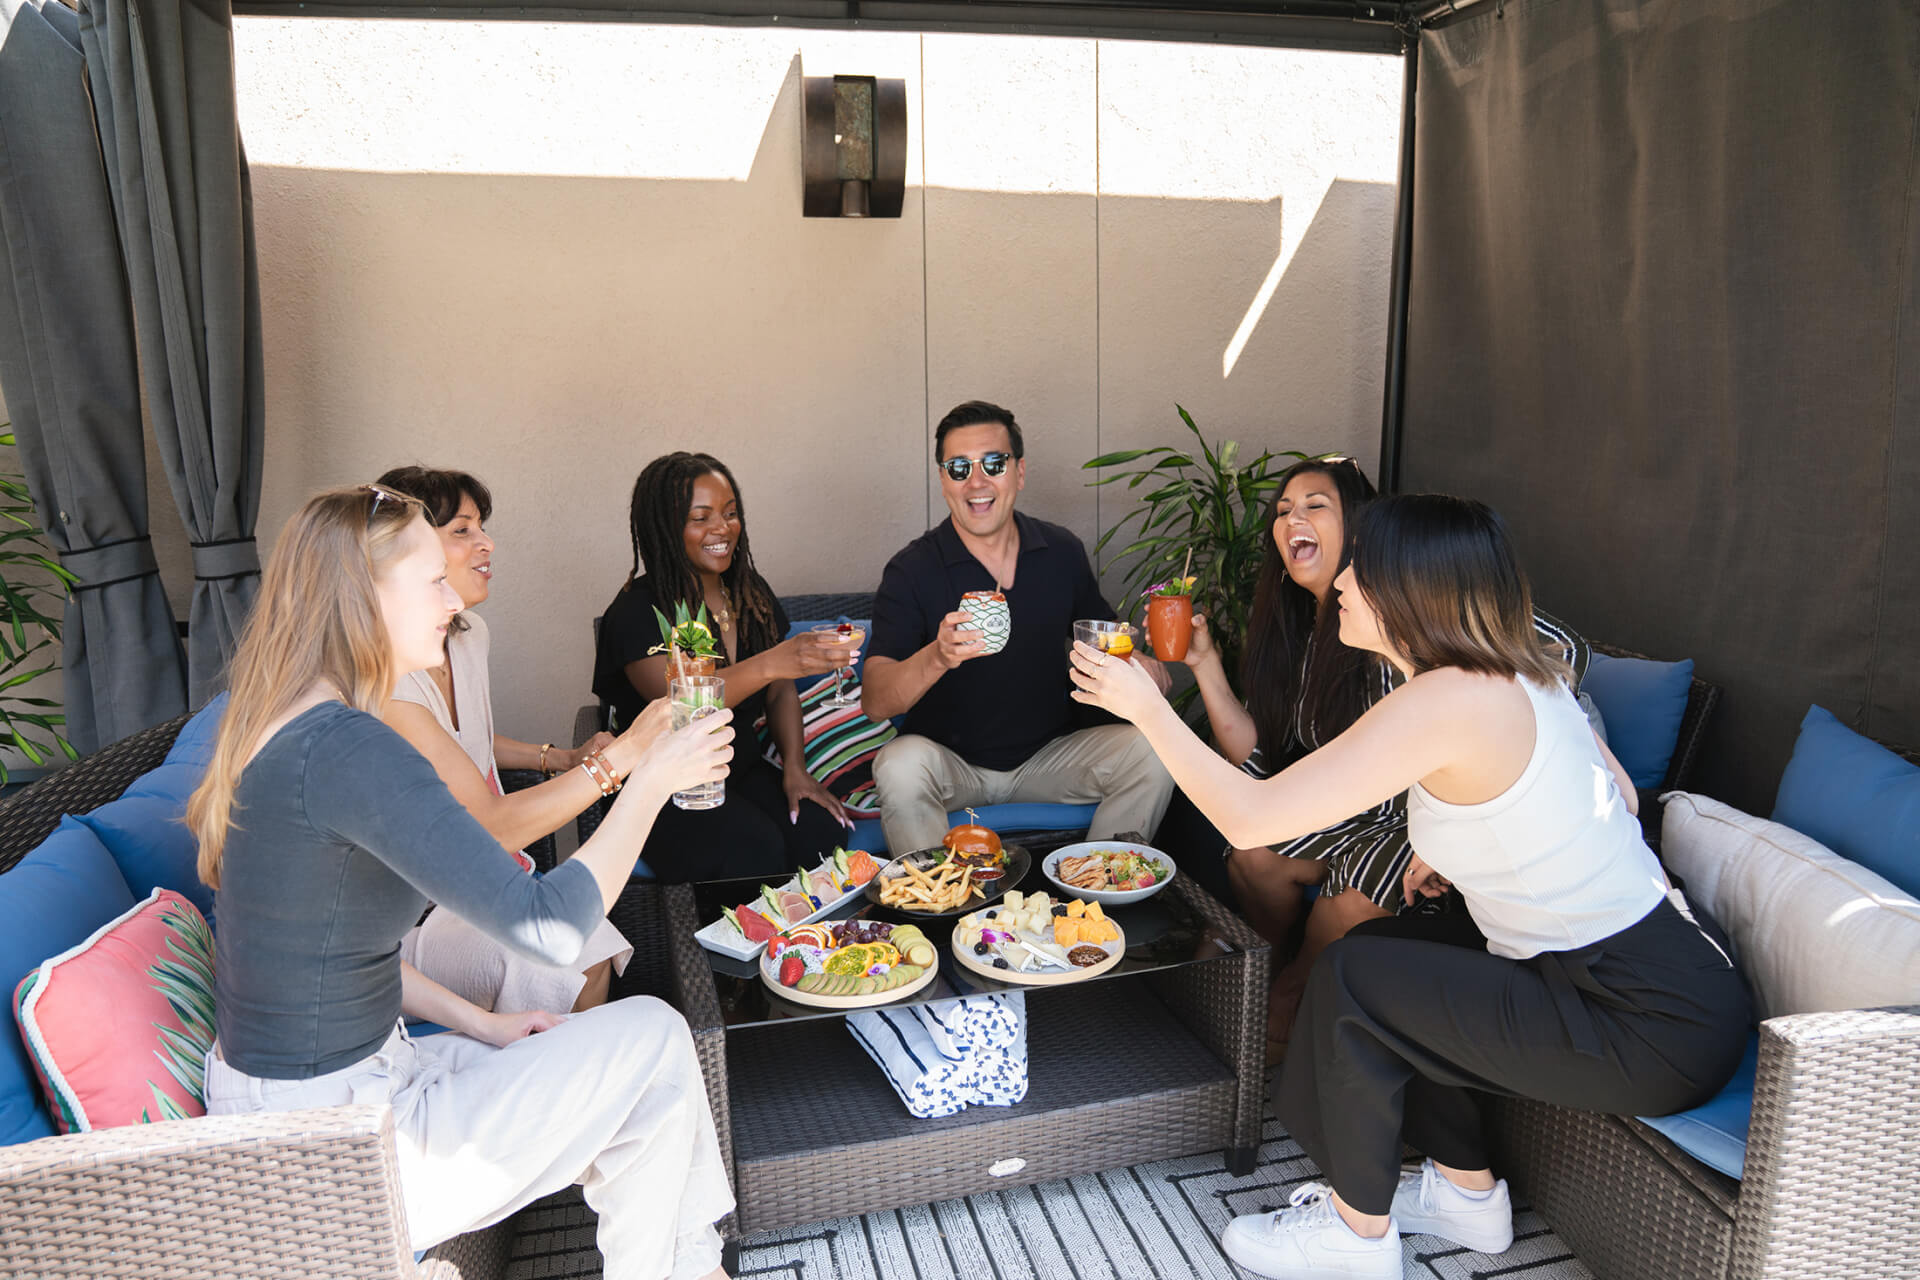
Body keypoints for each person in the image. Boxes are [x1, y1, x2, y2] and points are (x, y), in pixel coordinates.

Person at [1068, 493, 1749, 1280]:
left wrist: (1149, 709)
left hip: (1647, 1016)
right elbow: (1615, 799)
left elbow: (1251, 820)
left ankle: (1356, 1238)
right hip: (1656, 975)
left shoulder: (1448, 696)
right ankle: (1468, 1197)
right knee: (1390, 943)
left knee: (1362, 976)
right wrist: (1465, 852)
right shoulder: (1514, 671)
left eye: (1363, 563)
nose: (1345, 580)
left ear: (1410, 585)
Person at [189, 483, 738, 1278]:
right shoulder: (349, 748)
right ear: (364, 597)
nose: (453, 597)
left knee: (647, 1057)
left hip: (342, 1090)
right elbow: (546, 928)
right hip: (333, 1155)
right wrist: (650, 779)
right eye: (432, 579)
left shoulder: (292, 723)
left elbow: (348, 954)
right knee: (653, 1037)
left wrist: (482, 1026)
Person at [1170, 455, 1587, 1058]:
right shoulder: (1306, 630)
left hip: (1420, 814)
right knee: (1253, 856)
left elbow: (1563, 646)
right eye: (1283, 511)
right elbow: (1260, 754)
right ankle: (1256, 977)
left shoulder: (1406, 612)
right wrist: (1205, 664)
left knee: (1345, 900)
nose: (1293, 519)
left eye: (1316, 505)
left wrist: (1531, 714)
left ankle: (1282, 1021)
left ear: (1363, 530)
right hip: (1355, 804)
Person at [862, 399, 1176, 855]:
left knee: (1156, 745)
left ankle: (1099, 894)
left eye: (994, 463)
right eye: (958, 467)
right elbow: (875, 701)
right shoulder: (912, 570)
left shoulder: (1060, 551)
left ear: (1020, 472)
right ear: (942, 479)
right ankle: (937, 904)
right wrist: (938, 655)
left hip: (1051, 758)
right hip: (953, 768)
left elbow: (1109, 642)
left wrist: (1143, 667)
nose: (977, 481)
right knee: (897, 764)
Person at [377, 465, 634, 1014]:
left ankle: (565, 1072)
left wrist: (559, 759)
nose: (486, 543)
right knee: (565, 948)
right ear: (409, 552)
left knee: (584, 934)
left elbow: (466, 742)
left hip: (479, 880)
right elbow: (485, 826)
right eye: (462, 531)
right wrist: (630, 760)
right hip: (411, 917)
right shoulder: (387, 679)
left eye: (482, 527)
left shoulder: (469, 637)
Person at [593, 452, 853, 881]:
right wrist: (773, 662)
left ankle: (815, 945)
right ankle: (731, 945)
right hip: (664, 785)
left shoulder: (749, 592)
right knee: (752, 851)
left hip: (739, 768)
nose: (722, 529)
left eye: (731, 514)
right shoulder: (636, 611)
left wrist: (795, 768)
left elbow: (781, 689)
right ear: (665, 527)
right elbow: (679, 703)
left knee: (819, 835)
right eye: (701, 518)